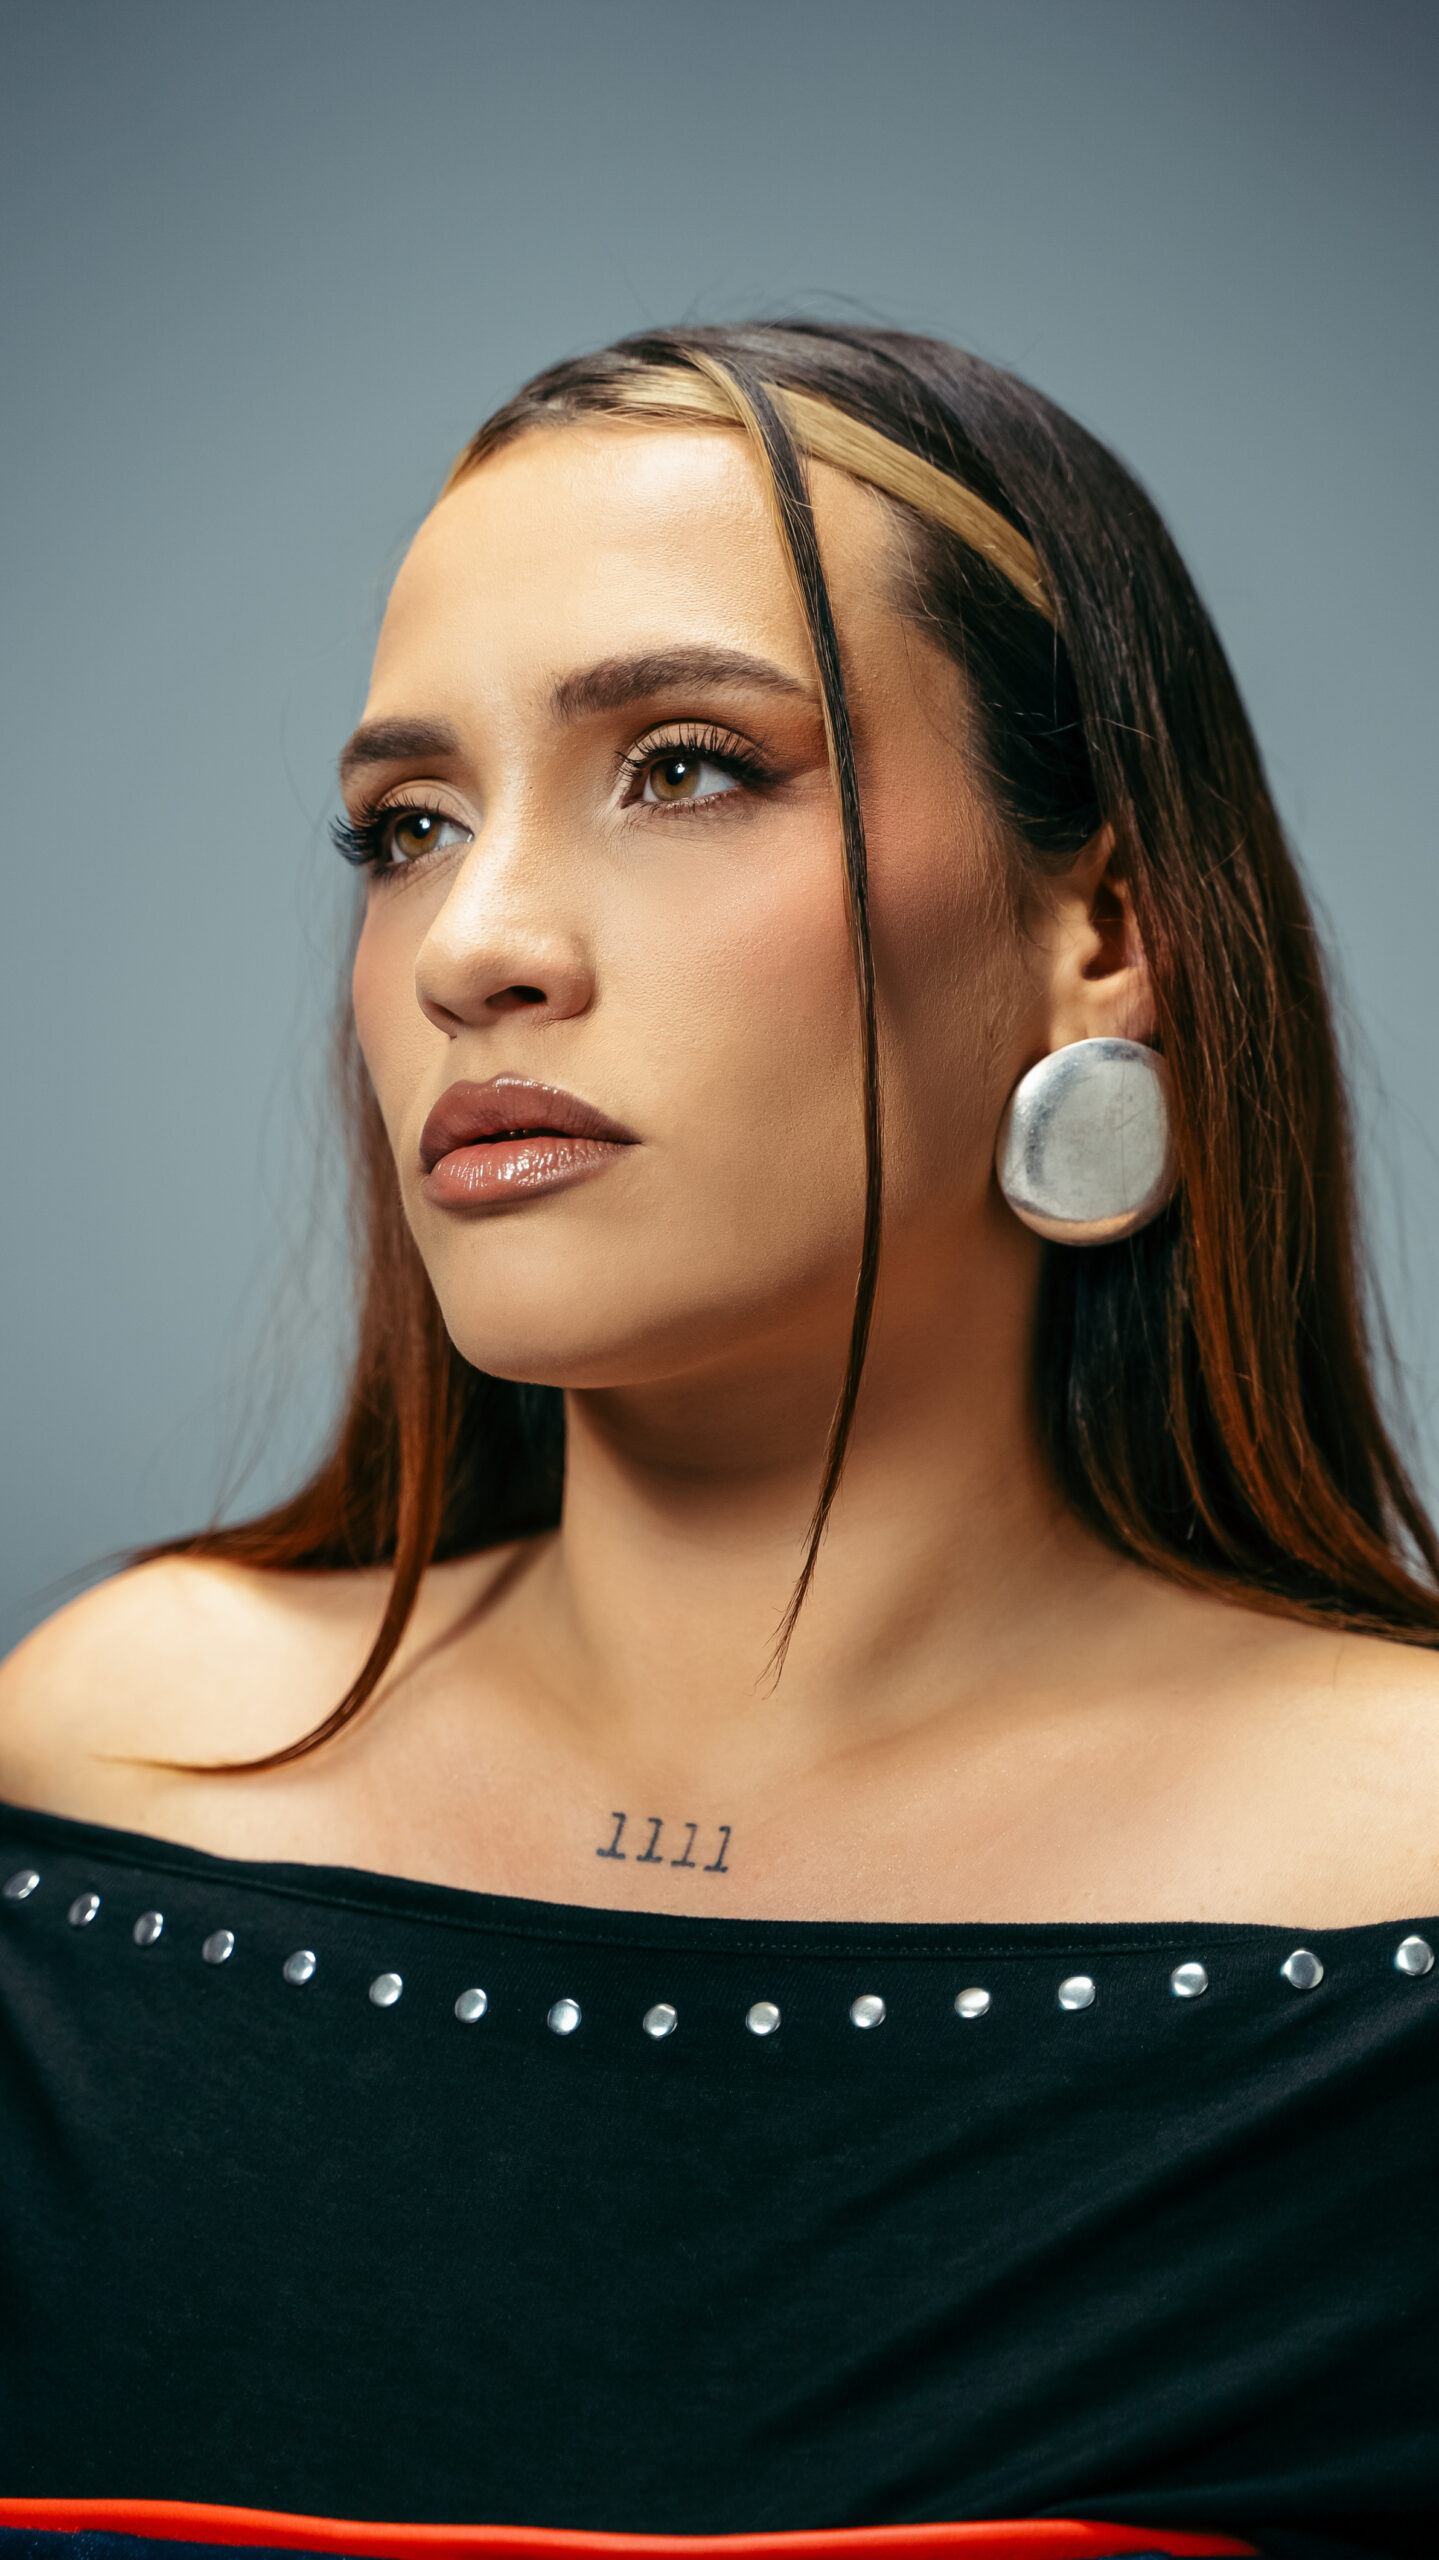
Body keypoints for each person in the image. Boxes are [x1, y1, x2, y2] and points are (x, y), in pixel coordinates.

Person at [0, 322, 1435, 2560]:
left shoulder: (1399, 1878)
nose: (473, 945)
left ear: (1103, 931)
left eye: (683, 766)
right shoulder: (109, 1770)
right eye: (405, 827)